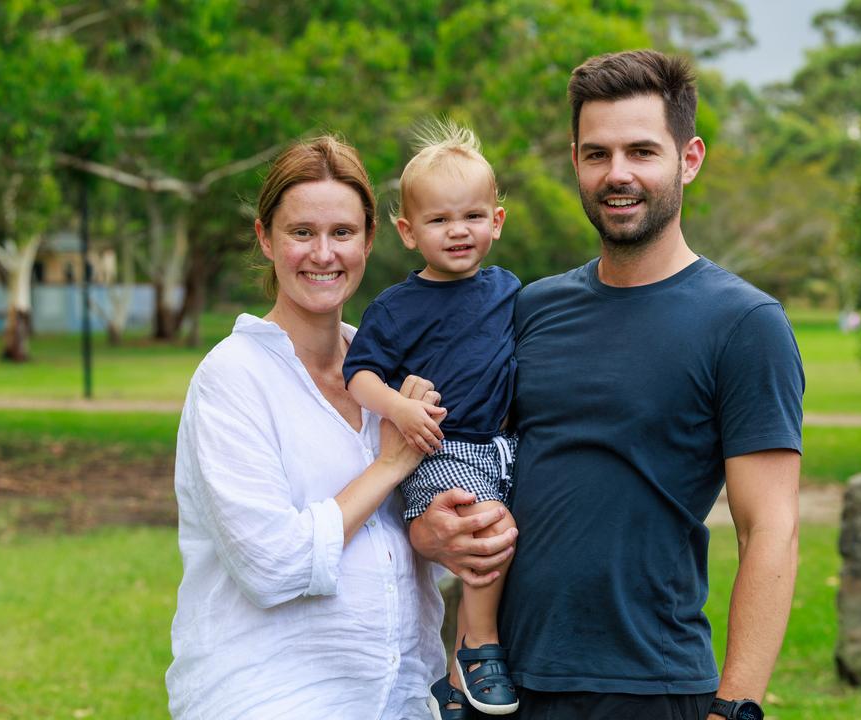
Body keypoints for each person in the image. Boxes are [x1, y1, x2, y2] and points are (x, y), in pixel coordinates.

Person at [410, 49, 804, 720]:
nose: (617, 174)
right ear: (576, 162)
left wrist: (735, 706)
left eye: (642, 152)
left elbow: (771, 527)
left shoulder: (744, 323)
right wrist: (431, 534)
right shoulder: (530, 308)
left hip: (649, 686)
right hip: (501, 681)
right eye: (597, 154)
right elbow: (475, 465)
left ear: (689, 158)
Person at [166, 136, 450, 720]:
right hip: (271, 698)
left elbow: (413, 551)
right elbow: (272, 567)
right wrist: (390, 465)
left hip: (399, 699)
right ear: (266, 238)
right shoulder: (233, 377)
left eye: (342, 233)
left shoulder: (390, 379)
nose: (324, 254)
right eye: (302, 233)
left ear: (370, 239)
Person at [344, 121, 522, 720]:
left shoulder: (509, 292)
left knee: (521, 534)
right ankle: (478, 648)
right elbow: (360, 376)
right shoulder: (396, 307)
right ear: (408, 232)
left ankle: (452, 687)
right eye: (439, 220)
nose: (457, 231)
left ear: (496, 222)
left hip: (502, 445)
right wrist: (400, 407)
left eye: (472, 216)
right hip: (441, 448)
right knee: (485, 534)